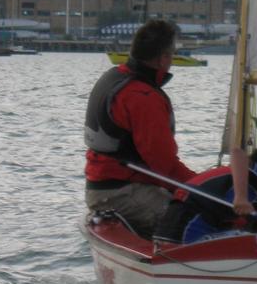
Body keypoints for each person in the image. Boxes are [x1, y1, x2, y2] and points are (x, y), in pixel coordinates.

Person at [84, 19, 196, 235]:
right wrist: (202, 187)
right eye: (172, 53)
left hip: (102, 188)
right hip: (121, 193)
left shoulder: (115, 77)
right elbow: (164, 166)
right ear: (163, 58)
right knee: (196, 219)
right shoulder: (142, 97)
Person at [155, 143, 257, 244]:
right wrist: (240, 197)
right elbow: (237, 152)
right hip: (183, 233)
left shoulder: (238, 178)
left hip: (170, 231)